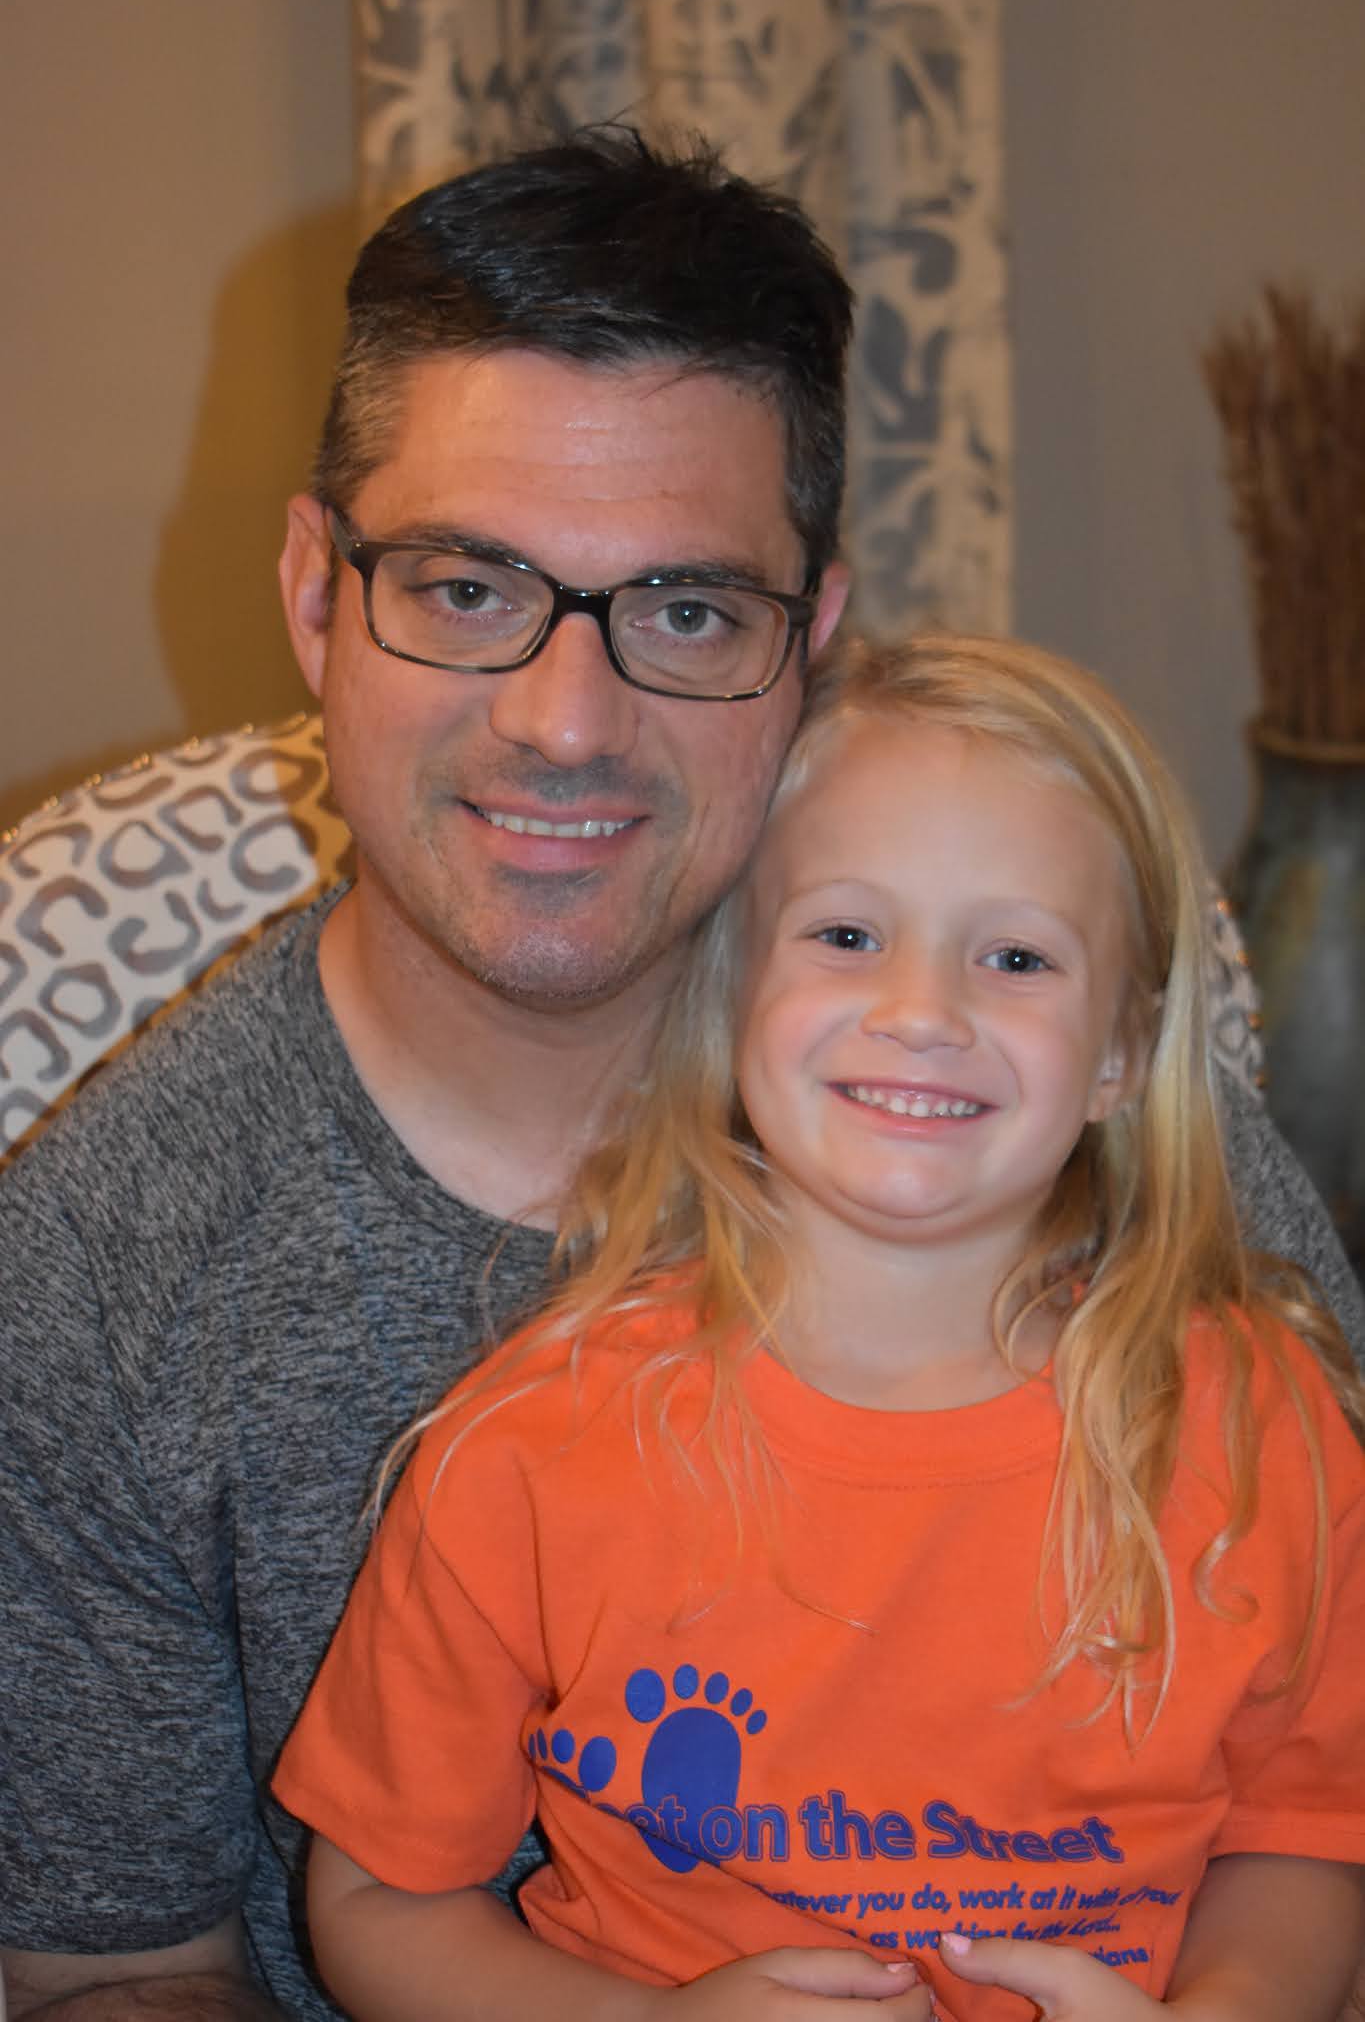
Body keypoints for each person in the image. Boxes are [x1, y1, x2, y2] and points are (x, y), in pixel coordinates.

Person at [0, 132, 1358, 2022]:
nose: (565, 721)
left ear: (813, 644)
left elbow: (1310, 1806)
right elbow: (116, 1981)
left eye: (687, 611)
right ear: (315, 592)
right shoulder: (98, 1278)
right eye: (464, 588)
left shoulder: (1090, 1158)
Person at [274, 632, 1365, 2022]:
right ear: (732, 986)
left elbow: (1305, 1833)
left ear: (1120, 1052)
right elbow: (378, 1901)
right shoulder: (530, 1449)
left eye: (1016, 956)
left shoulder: (1256, 1430)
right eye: (847, 936)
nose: (921, 1012)